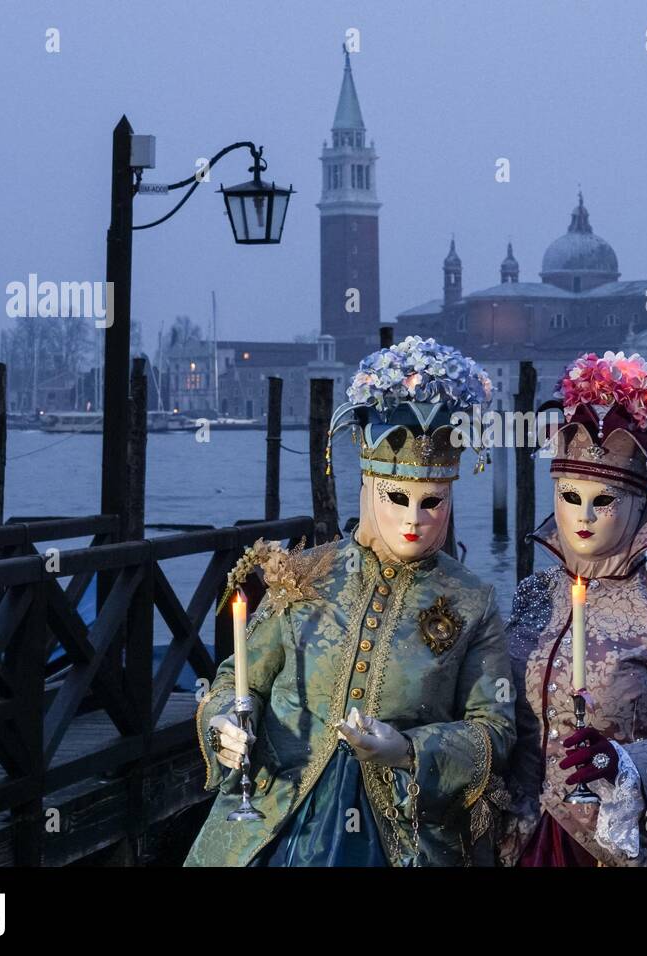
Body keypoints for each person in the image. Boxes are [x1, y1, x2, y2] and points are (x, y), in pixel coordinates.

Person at [184, 336, 515, 867]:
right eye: (398, 499)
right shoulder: (302, 575)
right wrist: (225, 724)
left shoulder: (472, 601)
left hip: (403, 830)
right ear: (368, 485)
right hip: (278, 811)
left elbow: (494, 730)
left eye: (432, 503)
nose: (414, 520)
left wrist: (409, 751)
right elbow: (235, 680)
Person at [501, 351, 647, 867]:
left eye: (602, 501)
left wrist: (627, 763)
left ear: (635, 504)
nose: (583, 516)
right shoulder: (531, 595)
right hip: (526, 836)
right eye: (570, 496)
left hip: (629, 839)